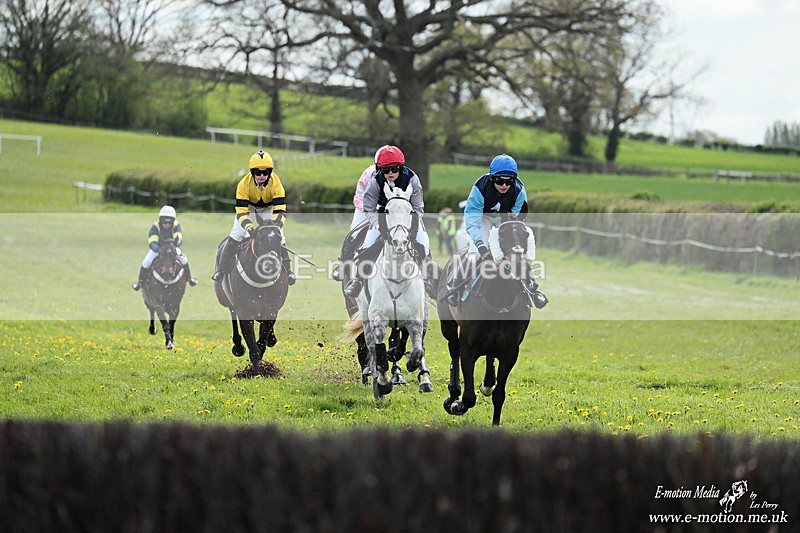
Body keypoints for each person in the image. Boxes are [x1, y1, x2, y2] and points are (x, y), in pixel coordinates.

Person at [443, 153, 547, 308]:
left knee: (517, 252)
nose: (504, 185)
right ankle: (455, 286)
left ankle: (532, 289)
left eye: (509, 181)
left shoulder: (519, 191)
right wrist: (482, 247)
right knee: (475, 252)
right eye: (499, 180)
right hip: (482, 217)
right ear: (492, 178)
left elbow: (515, 220)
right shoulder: (480, 188)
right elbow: (472, 224)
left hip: (504, 219)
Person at [342, 145, 436, 298]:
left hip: (407, 215)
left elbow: (418, 208)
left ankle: (430, 280)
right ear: (379, 169)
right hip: (381, 213)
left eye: (394, 169)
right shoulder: (374, 181)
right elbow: (368, 207)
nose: (390, 173)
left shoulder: (412, 179)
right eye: (386, 170)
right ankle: (357, 280)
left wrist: (411, 226)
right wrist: (380, 225)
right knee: (368, 243)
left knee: (424, 242)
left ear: (401, 167)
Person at [211, 150, 295, 285]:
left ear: (270, 172)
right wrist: (250, 228)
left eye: (265, 172)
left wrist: (277, 225)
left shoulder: (276, 183)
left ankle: (288, 272)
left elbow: (280, 209)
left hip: (268, 208)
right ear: (252, 172)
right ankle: (221, 269)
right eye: (257, 172)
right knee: (236, 235)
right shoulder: (243, 185)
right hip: (248, 208)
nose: (262, 176)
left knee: (280, 237)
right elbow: (241, 211)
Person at [331, 145, 391, 283]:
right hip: (365, 208)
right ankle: (344, 265)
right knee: (354, 233)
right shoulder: (368, 174)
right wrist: (371, 213)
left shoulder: (401, 175)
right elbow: (359, 197)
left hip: (389, 211)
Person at [131, 205, 198, 290]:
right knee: (146, 262)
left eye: (169, 223)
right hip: (159, 249)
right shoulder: (155, 226)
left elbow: (179, 238)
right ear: (161, 220)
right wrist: (158, 249)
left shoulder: (176, 225)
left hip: (172, 248)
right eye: (165, 223)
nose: (167, 225)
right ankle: (139, 283)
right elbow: (152, 241)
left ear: (172, 222)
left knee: (184, 259)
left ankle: (190, 279)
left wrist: (176, 244)